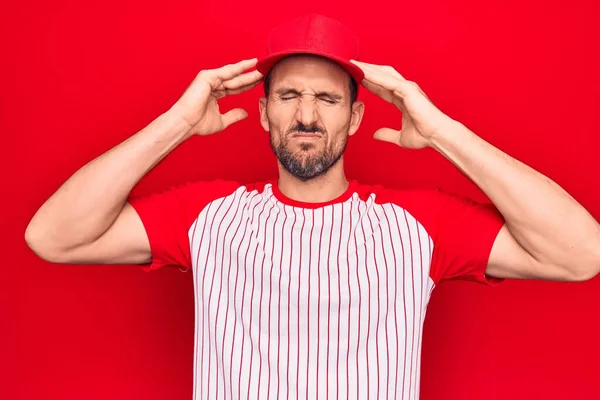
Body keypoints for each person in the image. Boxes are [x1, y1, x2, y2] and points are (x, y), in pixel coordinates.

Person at [25, 13, 600, 400]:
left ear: (353, 116)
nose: (306, 115)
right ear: (264, 112)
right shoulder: (207, 216)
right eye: (288, 96)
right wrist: (176, 125)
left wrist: (443, 131)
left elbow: (580, 254)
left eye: (327, 98)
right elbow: (54, 237)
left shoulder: (420, 225)